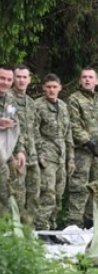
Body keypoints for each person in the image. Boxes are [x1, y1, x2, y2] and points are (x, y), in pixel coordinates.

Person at [67, 67, 98, 228]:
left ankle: (93, 219)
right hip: (82, 151)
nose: (87, 80)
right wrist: (86, 140)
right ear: (80, 80)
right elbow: (74, 123)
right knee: (79, 186)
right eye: (84, 77)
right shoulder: (74, 99)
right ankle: (75, 222)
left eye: (90, 77)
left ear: (97, 81)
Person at [33, 74, 74, 242]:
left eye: (54, 87)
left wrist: (71, 158)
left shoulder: (63, 107)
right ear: (44, 88)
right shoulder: (38, 106)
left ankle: (52, 227)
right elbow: (34, 131)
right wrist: (40, 153)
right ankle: (42, 229)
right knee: (47, 193)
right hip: (46, 157)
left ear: (60, 88)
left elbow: (68, 133)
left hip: (61, 156)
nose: (51, 90)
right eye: (48, 87)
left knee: (58, 194)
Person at [8, 65, 39, 225]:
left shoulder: (31, 103)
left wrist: (40, 154)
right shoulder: (7, 99)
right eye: (18, 77)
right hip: (15, 156)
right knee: (17, 195)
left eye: (24, 77)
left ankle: (29, 230)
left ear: (29, 80)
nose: (21, 80)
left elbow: (35, 131)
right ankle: (15, 231)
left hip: (32, 156)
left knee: (34, 195)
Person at [0, 64, 26, 216]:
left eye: (9, 79)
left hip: (4, 156)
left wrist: (20, 151)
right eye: (2, 78)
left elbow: (16, 127)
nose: (5, 82)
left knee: (5, 195)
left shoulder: (11, 99)